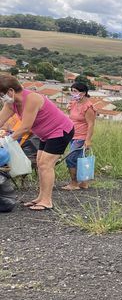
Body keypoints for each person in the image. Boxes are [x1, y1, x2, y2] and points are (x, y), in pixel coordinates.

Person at [0, 75, 74, 211]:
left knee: (46, 164)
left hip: (60, 131)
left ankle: (47, 201)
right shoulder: (11, 103)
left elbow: (25, 127)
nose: (1, 98)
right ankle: (40, 198)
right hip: (45, 134)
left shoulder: (31, 99)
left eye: (1, 94)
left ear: (10, 91)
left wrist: (5, 141)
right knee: (40, 163)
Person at [62, 82, 96, 190]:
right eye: (72, 91)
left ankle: (74, 183)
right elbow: (71, 117)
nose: (73, 93)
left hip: (81, 136)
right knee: (79, 159)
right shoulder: (74, 103)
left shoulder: (88, 107)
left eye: (75, 91)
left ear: (83, 93)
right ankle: (84, 183)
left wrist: (88, 140)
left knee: (70, 159)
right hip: (72, 135)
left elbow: (91, 124)